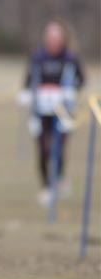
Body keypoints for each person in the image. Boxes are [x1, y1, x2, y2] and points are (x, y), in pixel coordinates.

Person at [18, 19, 85, 206]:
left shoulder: (70, 58)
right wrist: (25, 93)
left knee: (59, 148)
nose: (53, 41)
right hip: (40, 111)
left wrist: (71, 90)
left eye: (56, 37)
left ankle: (60, 178)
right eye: (50, 37)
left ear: (63, 39)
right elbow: (29, 78)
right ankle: (47, 187)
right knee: (42, 148)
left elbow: (81, 79)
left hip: (63, 110)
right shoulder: (38, 57)